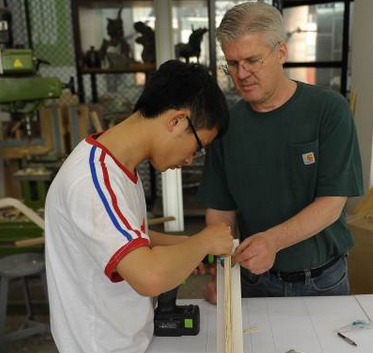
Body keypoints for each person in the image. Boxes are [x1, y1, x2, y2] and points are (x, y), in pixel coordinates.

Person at [45, 60, 233, 353]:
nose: (189, 160)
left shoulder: (118, 167)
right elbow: (149, 277)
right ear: (177, 121)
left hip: (127, 339)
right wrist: (204, 239)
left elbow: (132, 239)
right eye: (197, 148)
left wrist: (191, 248)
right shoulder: (92, 182)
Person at [197, 2, 363, 301]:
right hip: (253, 280)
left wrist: (272, 241)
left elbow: (332, 202)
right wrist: (220, 266)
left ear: (281, 53)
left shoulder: (328, 110)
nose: (241, 73)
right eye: (232, 63)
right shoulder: (226, 125)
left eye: (252, 60)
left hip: (323, 280)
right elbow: (221, 212)